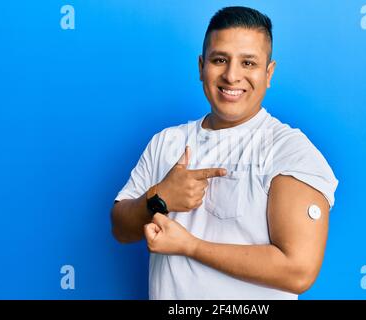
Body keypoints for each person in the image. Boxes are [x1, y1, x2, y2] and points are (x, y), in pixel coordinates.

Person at [111, 6, 339, 300]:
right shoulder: (166, 142)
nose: (232, 76)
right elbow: (120, 228)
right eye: (220, 60)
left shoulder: (289, 151)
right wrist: (159, 198)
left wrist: (190, 246)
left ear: (268, 73)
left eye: (248, 63)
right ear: (201, 67)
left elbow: (298, 271)